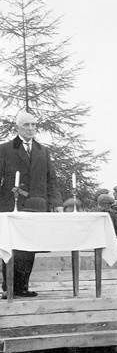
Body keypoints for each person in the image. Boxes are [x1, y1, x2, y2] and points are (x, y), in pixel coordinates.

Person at [0, 109, 63, 297]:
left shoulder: (42, 151)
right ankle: (9, 287)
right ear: (18, 126)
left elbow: (51, 179)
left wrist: (57, 202)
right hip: (11, 205)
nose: (30, 128)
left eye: (33, 125)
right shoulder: (5, 149)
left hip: (36, 206)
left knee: (30, 247)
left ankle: (23, 287)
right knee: (12, 246)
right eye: (26, 124)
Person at [1, 197, 48, 298]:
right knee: (13, 249)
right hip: (12, 207)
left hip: (32, 209)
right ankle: (10, 288)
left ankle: (21, 288)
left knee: (28, 249)